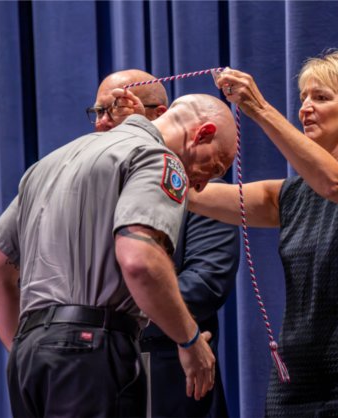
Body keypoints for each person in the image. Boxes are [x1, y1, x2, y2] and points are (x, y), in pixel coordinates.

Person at [0, 91, 238, 417]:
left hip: (28, 361)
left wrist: (33, 347)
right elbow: (139, 260)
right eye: (215, 166)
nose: (201, 187)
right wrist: (189, 339)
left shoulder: (48, 164)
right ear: (203, 133)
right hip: (95, 353)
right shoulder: (159, 159)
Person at [189, 50, 338, 417]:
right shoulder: (291, 194)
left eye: (321, 97)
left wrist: (260, 109)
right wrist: (146, 134)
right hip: (296, 380)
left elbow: (336, 184)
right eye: (303, 99)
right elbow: (190, 195)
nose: (306, 108)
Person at [87, 69, 239, 417]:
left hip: (167, 372)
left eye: (114, 110)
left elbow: (206, 281)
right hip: (93, 367)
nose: (101, 124)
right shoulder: (89, 178)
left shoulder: (196, 186)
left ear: (157, 114)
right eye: (96, 112)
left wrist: (120, 316)